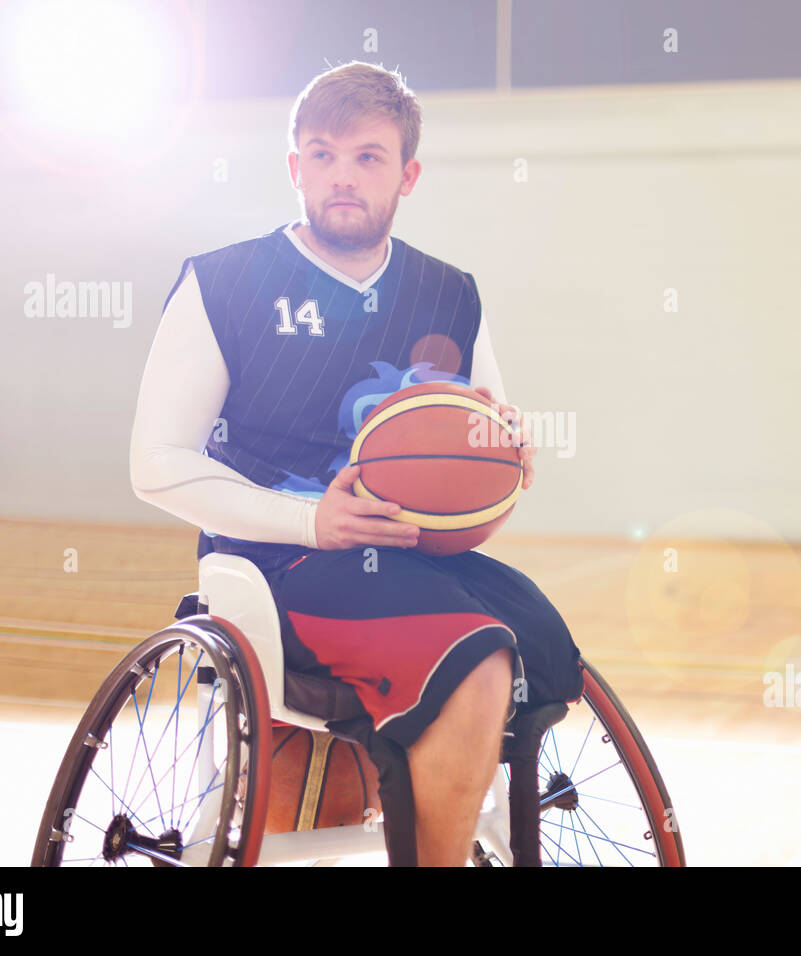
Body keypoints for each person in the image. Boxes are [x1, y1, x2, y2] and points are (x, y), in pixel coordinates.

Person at [129, 61, 583, 866]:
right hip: (276, 562)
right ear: (295, 166)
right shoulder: (224, 283)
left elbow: (479, 442)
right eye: (323, 154)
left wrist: (504, 456)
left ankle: (443, 795)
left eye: (368, 157)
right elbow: (156, 463)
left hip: (411, 561)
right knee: (473, 657)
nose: (343, 175)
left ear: (407, 174)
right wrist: (312, 516)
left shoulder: (449, 293)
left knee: (538, 635)